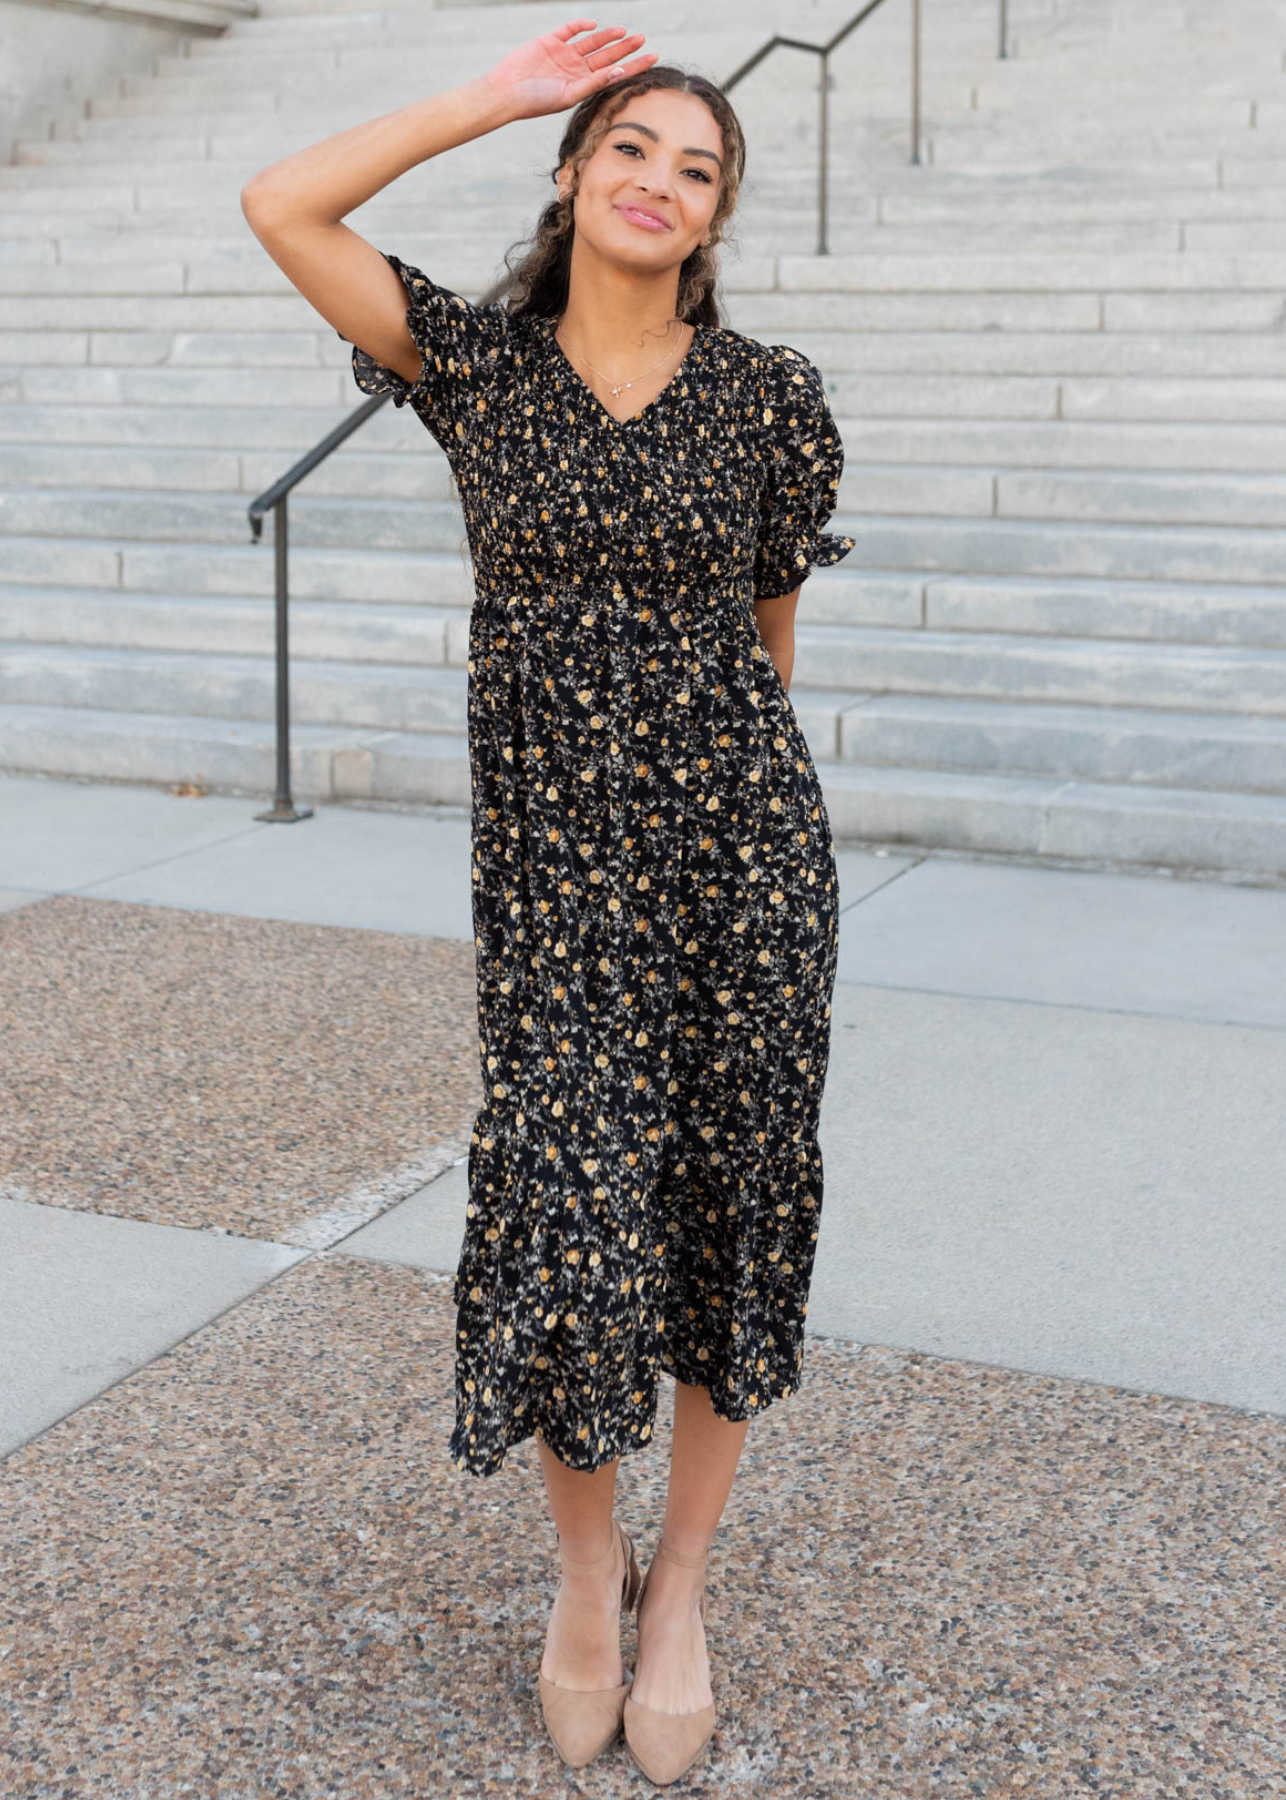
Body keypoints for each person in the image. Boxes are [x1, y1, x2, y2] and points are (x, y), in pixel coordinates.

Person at [241, 18, 854, 1785]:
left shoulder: (770, 396)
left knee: (734, 1195)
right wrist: (489, 95)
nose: (662, 182)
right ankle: (584, 1581)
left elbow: (769, 637)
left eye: (698, 166)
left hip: (742, 856)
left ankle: (681, 1593)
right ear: (576, 172)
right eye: (632, 148)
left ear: (718, 212)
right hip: (559, 877)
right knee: (569, 1214)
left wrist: (755, 819)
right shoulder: (476, 367)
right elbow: (283, 203)